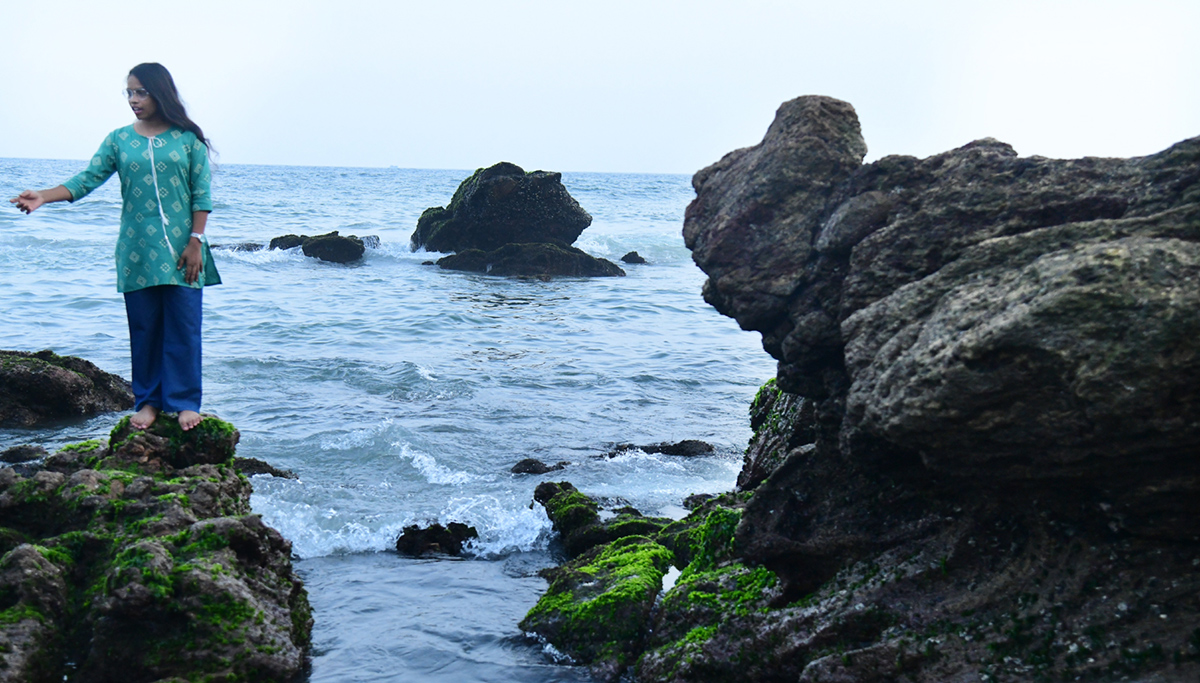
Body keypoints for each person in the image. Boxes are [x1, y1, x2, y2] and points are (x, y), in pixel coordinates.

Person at [10, 62, 220, 431]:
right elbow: (87, 179)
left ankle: (185, 402)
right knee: (144, 329)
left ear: (160, 92)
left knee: (184, 328)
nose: (133, 100)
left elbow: (201, 195)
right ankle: (149, 402)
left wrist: (195, 242)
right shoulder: (119, 139)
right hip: (136, 251)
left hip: (184, 250)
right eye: (129, 93)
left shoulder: (188, 139)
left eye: (140, 92)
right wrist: (44, 196)